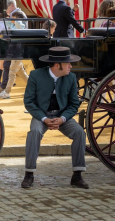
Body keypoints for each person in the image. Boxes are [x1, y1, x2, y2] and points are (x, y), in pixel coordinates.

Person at [21, 46, 88, 189]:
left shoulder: (70, 77)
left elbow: (74, 104)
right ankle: (29, 174)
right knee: (34, 132)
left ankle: (77, 175)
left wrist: (62, 118)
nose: (70, 66)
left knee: (79, 132)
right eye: (68, 63)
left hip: (62, 115)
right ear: (58, 65)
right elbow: (29, 102)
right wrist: (44, 118)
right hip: (41, 116)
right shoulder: (36, 75)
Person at [0, 0, 27, 93]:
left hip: (16, 44)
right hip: (13, 44)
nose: (6, 10)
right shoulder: (16, 14)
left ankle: (5, 89)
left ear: (12, 5)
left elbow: (21, 29)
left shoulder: (19, 15)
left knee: (9, 67)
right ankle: (4, 87)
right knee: (18, 70)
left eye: (7, 7)